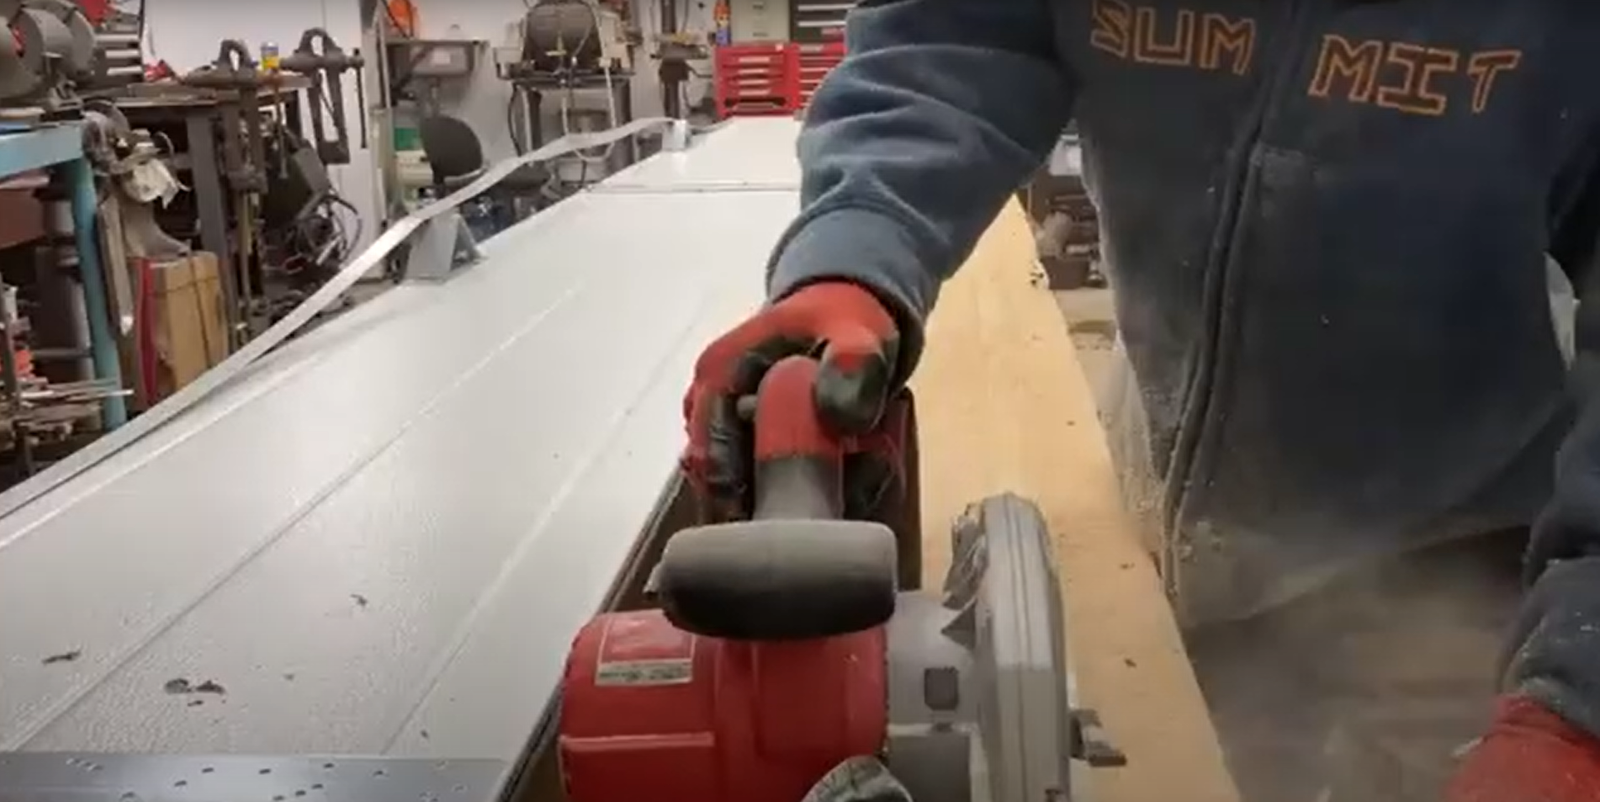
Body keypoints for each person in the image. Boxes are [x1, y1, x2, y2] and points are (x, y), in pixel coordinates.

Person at [679, 1, 1600, 800]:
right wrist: (858, 251)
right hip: (1170, 509)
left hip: (1465, 566)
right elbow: (956, 40)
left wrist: (1575, 704)